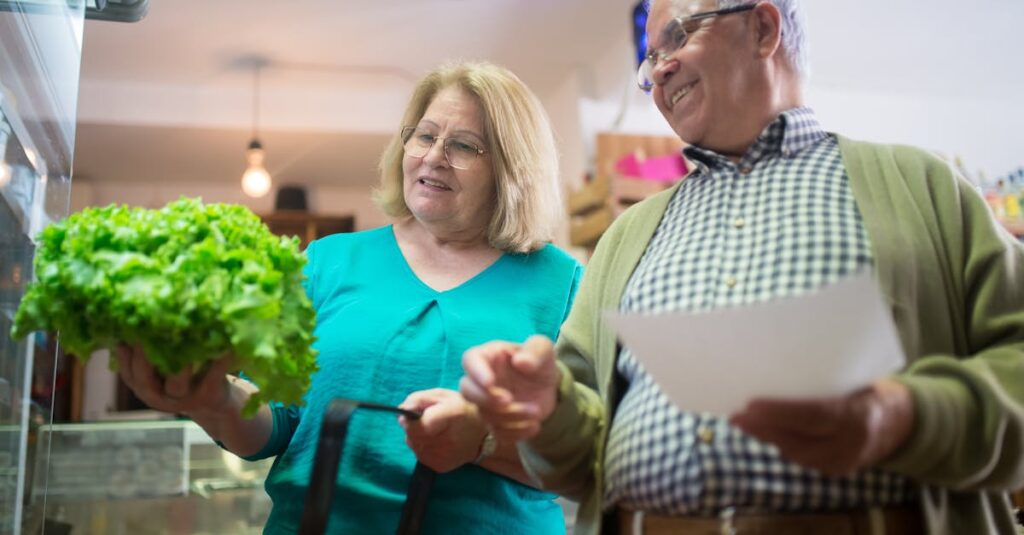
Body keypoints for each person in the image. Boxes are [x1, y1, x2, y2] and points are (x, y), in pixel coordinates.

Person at [460, 1, 1024, 534]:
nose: (660, 70)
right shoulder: (626, 237)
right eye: (651, 59)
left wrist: (905, 415)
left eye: (679, 35)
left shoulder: (922, 187)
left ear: (763, 29)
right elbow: (579, 454)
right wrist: (547, 410)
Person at [117, 61, 582, 534]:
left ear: (511, 168)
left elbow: (586, 458)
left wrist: (483, 441)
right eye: (424, 136)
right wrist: (212, 399)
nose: (433, 156)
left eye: (463, 145)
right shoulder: (328, 261)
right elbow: (274, 421)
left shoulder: (563, 285)